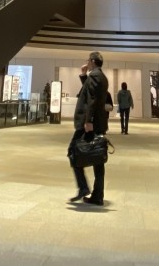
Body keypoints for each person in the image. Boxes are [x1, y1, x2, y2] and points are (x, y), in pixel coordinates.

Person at [68, 51, 109, 206]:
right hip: (98, 122)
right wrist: (84, 75)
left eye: (88, 60)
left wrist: (88, 121)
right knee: (98, 158)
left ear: (92, 61)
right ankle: (97, 195)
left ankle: (83, 187)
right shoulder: (101, 76)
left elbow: (92, 99)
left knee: (73, 151)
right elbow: (91, 92)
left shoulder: (95, 76)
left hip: (90, 124)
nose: (87, 62)